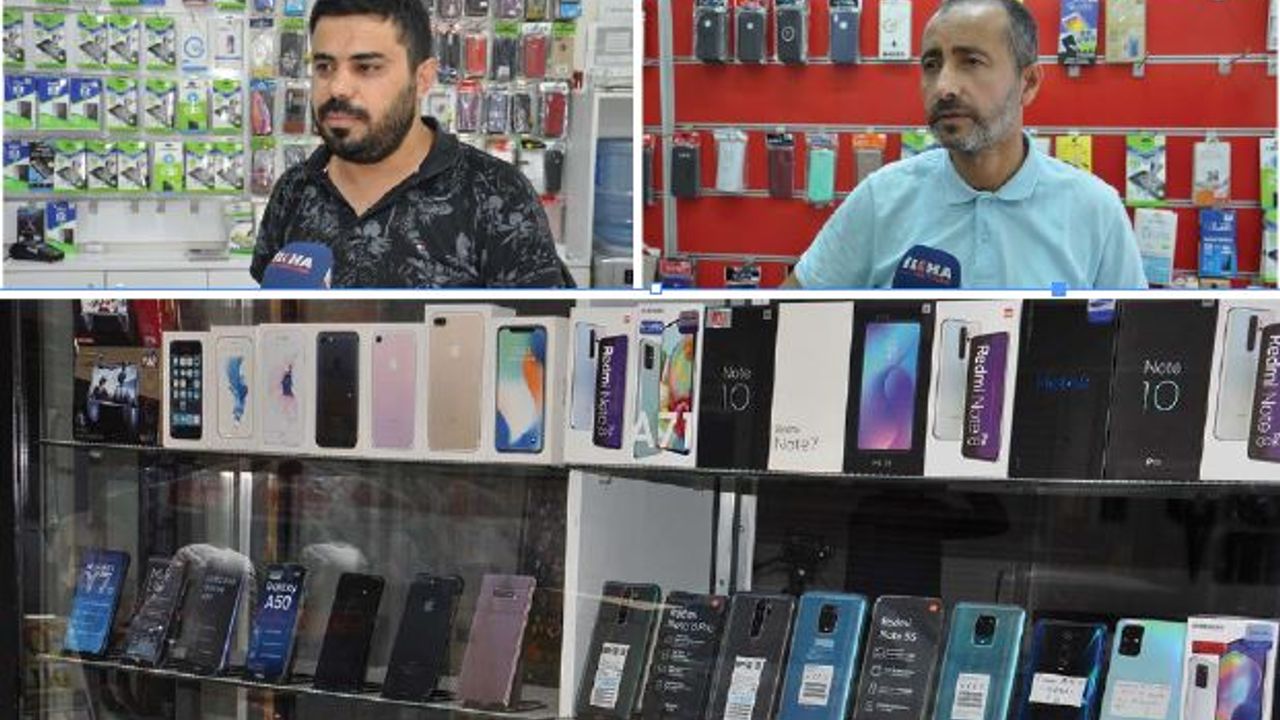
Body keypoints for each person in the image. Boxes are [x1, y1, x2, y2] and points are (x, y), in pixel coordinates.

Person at [786, 0, 1146, 289]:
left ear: (1029, 82)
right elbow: (791, 316)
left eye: (971, 62)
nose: (944, 87)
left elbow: (1134, 344)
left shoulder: (1096, 211)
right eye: (932, 64)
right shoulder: (881, 199)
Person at [251, 0, 574, 288]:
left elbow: (541, 332)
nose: (338, 87)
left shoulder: (498, 195)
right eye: (324, 67)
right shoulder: (292, 191)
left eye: (366, 67)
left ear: (422, 78)